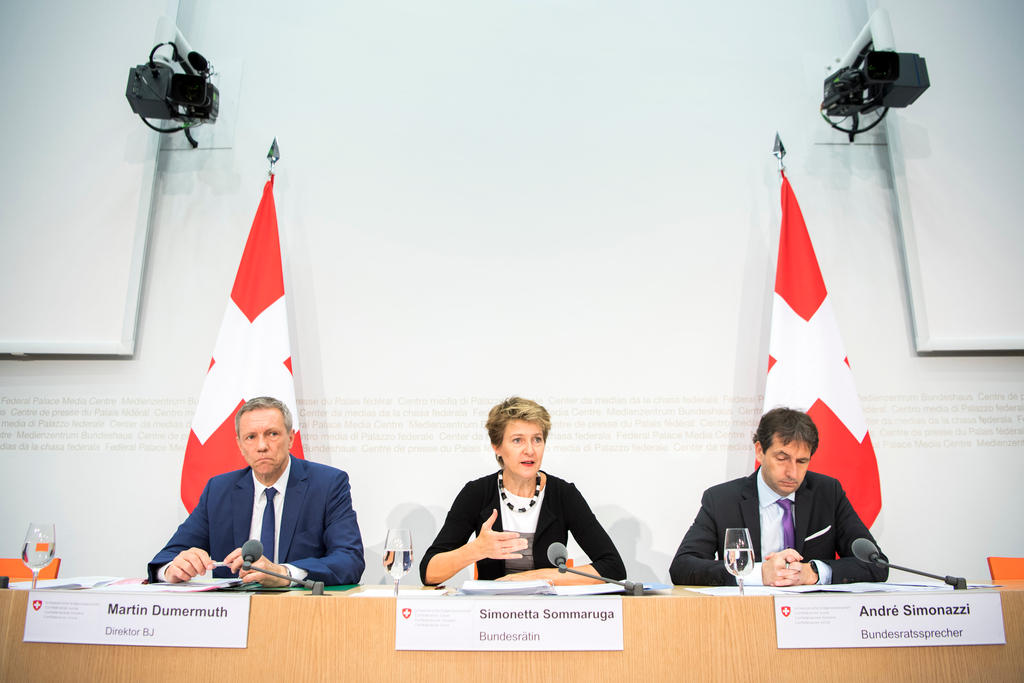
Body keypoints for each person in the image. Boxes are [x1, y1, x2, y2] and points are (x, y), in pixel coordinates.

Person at [148, 396, 365, 586]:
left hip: (301, 613)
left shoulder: (327, 484)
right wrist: (172, 569)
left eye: (272, 434)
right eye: (251, 437)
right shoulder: (219, 489)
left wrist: (284, 573)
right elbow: (165, 558)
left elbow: (349, 560)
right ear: (240, 444)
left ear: (290, 438)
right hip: (231, 616)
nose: (261, 446)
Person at [669, 407, 887, 586]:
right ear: (760, 451)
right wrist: (758, 574)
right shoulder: (722, 500)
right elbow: (683, 567)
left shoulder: (827, 493)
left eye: (802, 461)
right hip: (747, 619)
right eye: (782, 458)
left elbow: (877, 565)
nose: (792, 472)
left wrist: (814, 572)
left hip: (816, 618)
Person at [420, 396, 625, 586]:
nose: (530, 450)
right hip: (491, 614)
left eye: (537, 439)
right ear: (496, 446)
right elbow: (429, 573)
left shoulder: (563, 494)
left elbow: (613, 568)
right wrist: (475, 550)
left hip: (552, 615)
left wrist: (537, 577)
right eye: (518, 440)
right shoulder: (477, 493)